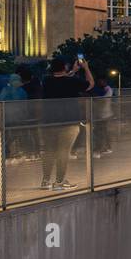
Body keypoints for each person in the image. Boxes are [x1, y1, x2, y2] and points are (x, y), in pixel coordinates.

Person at [39, 55, 94, 190]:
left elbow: (61, 80)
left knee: (49, 151)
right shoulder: (72, 82)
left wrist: (73, 72)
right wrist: (85, 68)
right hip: (68, 122)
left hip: (48, 122)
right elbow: (90, 84)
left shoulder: (46, 81)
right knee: (63, 151)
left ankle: (45, 181)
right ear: (64, 67)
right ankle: (59, 181)